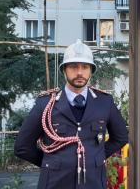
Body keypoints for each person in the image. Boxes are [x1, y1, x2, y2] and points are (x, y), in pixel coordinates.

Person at [15, 39, 128, 189]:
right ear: (64, 70)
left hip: (93, 183)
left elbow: (121, 137)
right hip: (55, 183)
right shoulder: (46, 103)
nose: (80, 72)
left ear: (91, 71)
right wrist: (50, 162)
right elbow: (22, 147)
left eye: (85, 67)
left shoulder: (104, 102)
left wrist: (96, 157)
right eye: (74, 67)